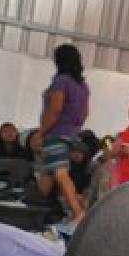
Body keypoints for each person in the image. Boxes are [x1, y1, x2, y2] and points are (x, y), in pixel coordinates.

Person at [31, 44, 90, 222]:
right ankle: (33, 209)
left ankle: (78, 213)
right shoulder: (82, 85)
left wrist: (40, 133)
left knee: (59, 173)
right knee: (47, 174)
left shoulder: (61, 81)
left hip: (56, 134)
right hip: (72, 134)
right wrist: (73, 130)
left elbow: (55, 110)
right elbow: (85, 113)